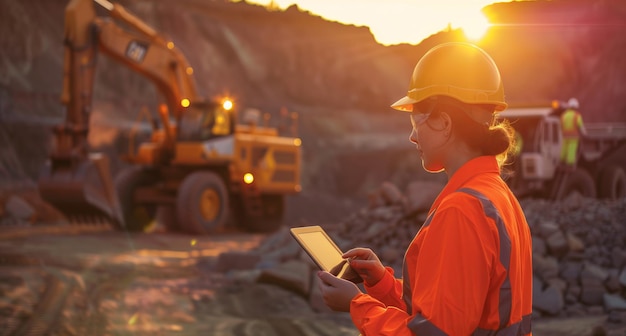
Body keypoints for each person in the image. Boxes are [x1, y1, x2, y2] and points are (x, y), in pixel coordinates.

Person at [317, 42, 533, 335]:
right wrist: (381, 284)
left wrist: (357, 304)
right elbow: (448, 308)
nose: (412, 136)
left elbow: (434, 332)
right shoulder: (496, 197)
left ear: (444, 122)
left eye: (415, 119)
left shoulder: (462, 209)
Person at [560, 97, 587, 167]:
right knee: (571, 150)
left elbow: (561, 125)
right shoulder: (577, 115)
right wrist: (585, 133)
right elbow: (580, 126)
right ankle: (570, 163)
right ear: (576, 107)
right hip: (573, 137)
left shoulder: (563, 115)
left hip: (565, 136)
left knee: (564, 149)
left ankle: (562, 161)